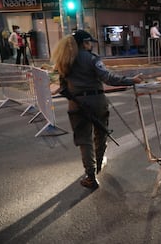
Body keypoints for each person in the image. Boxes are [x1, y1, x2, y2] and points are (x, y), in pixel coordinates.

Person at [51, 30, 143, 190]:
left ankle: (90, 177)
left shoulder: (64, 60)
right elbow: (108, 78)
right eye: (89, 42)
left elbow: (63, 88)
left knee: (84, 141)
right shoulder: (92, 59)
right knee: (100, 135)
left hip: (76, 104)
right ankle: (98, 165)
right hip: (97, 102)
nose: (91, 45)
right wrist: (131, 80)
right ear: (84, 43)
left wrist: (76, 100)